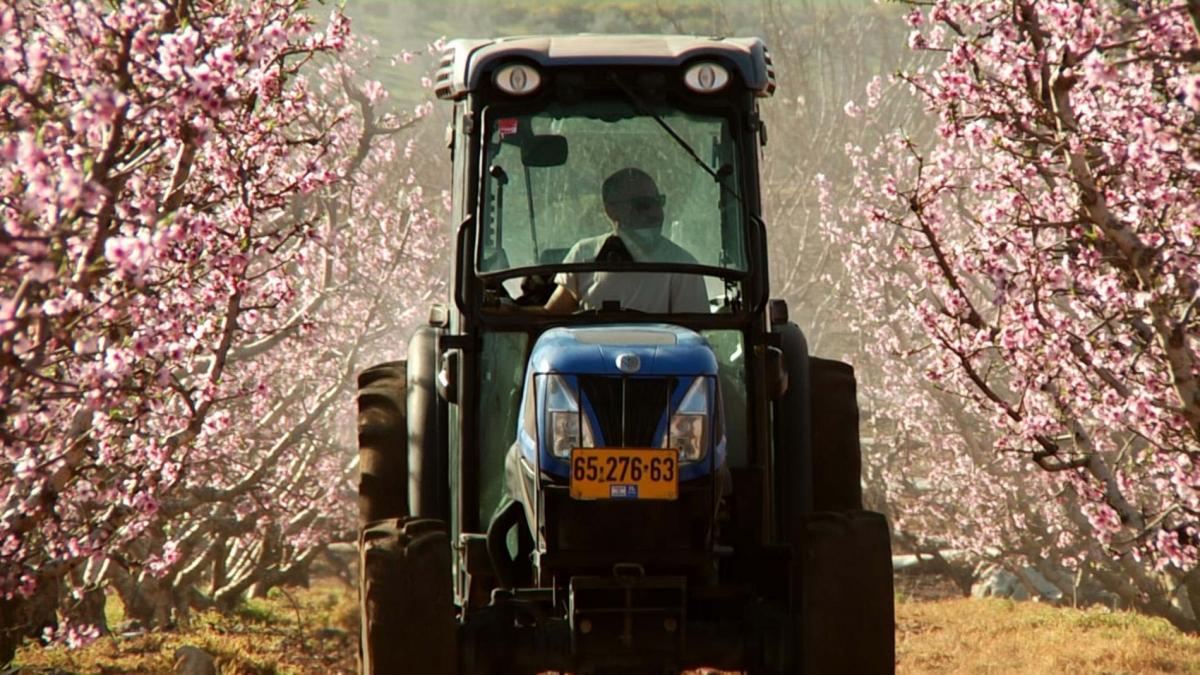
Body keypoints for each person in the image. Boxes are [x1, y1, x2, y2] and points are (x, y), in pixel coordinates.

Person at [535, 167, 710, 314]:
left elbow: (692, 338)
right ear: (611, 210)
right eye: (643, 205)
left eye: (658, 202)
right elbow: (551, 317)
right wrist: (510, 314)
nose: (656, 213)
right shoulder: (584, 254)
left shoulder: (683, 266)